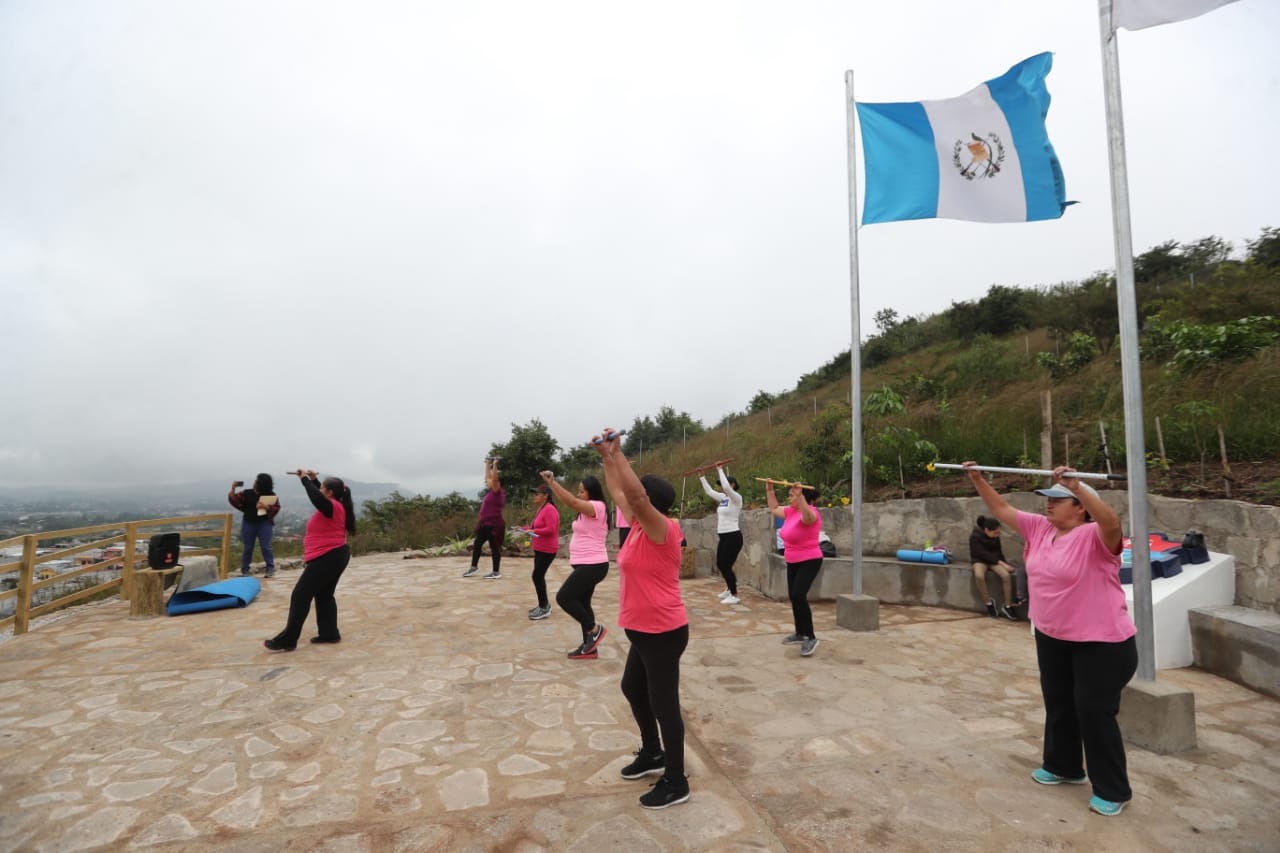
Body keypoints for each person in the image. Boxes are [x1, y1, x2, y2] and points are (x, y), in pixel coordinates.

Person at [963, 461, 1137, 817]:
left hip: (1101, 642)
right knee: (1059, 703)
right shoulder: (1041, 529)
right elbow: (1000, 509)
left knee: (1093, 711)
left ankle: (1113, 790)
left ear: (1080, 507)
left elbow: (1113, 523)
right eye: (1048, 498)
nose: (1049, 504)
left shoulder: (1096, 536)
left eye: (1058, 499)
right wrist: (978, 480)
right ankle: (1063, 767)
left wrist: (1078, 485)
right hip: (1053, 636)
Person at [593, 428, 691, 810]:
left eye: (642, 497)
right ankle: (653, 753)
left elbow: (632, 494)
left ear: (652, 502)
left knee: (664, 703)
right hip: (644, 632)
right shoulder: (637, 524)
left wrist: (620, 455)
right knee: (633, 689)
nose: (633, 501)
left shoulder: (662, 529)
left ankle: (676, 780)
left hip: (663, 631)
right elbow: (622, 493)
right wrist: (607, 457)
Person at [264, 470, 357, 651]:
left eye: (322, 487)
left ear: (330, 493)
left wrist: (305, 480)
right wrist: (314, 480)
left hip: (328, 557)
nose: (320, 489)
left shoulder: (332, 506)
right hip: (335, 555)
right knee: (324, 595)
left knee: (300, 595)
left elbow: (317, 498)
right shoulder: (336, 505)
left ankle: (288, 639)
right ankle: (329, 633)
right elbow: (320, 495)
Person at [539, 470, 610, 659]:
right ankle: (590, 648)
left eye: (582, 491)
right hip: (585, 564)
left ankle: (595, 630)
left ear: (591, 492)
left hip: (594, 565)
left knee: (564, 597)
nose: (579, 494)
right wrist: (553, 484)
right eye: (578, 491)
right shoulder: (586, 510)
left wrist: (553, 484)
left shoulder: (598, 506)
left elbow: (571, 502)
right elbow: (572, 502)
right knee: (583, 604)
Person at [766, 479, 823, 657]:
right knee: (794, 596)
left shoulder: (811, 513)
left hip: (810, 559)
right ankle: (799, 633)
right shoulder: (791, 512)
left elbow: (808, 518)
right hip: (793, 560)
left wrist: (801, 499)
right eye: (790, 495)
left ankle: (810, 637)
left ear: (801, 498)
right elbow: (774, 509)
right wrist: (770, 490)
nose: (789, 498)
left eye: (792, 495)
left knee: (799, 595)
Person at [698, 465, 744, 605]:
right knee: (722, 564)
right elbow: (709, 491)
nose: (721, 488)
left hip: (733, 536)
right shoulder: (724, 498)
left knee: (724, 565)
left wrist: (719, 469)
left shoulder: (736, 498)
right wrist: (702, 477)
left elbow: (727, 487)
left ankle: (734, 595)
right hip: (724, 536)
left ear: (733, 485)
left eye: (723, 485)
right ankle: (730, 589)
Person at [228, 474, 281, 578]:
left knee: (266, 546)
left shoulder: (270, 495)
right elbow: (234, 499)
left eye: (256, 480)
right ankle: (245, 569)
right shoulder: (247, 493)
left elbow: (276, 508)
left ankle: (270, 568)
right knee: (248, 547)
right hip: (248, 522)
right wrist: (233, 488)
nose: (254, 482)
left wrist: (265, 507)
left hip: (264, 523)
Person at [969, 515, 1020, 620]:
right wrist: (1002, 563)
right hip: (980, 560)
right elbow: (981, 554)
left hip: (994, 561)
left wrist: (1005, 564)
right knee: (979, 575)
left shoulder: (995, 538)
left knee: (1006, 576)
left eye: (998, 532)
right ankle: (988, 602)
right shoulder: (974, 537)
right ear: (987, 530)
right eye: (995, 532)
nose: (997, 535)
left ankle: (1008, 605)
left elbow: (998, 552)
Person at [464, 458, 505, 579]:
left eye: (492, 481)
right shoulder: (491, 492)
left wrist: (495, 465)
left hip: (494, 524)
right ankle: (480, 569)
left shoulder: (498, 492)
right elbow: (488, 477)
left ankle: (490, 571)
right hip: (486, 524)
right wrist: (488, 464)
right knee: (483, 545)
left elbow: (494, 478)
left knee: (489, 546)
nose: (489, 481)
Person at [526, 484, 560, 620]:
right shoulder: (541, 509)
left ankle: (544, 607)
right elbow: (534, 527)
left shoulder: (550, 509)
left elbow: (551, 529)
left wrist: (534, 531)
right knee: (538, 576)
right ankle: (543, 605)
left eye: (537, 494)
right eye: (534, 494)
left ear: (545, 495)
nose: (534, 496)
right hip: (540, 548)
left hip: (548, 549)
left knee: (537, 576)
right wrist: (523, 528)